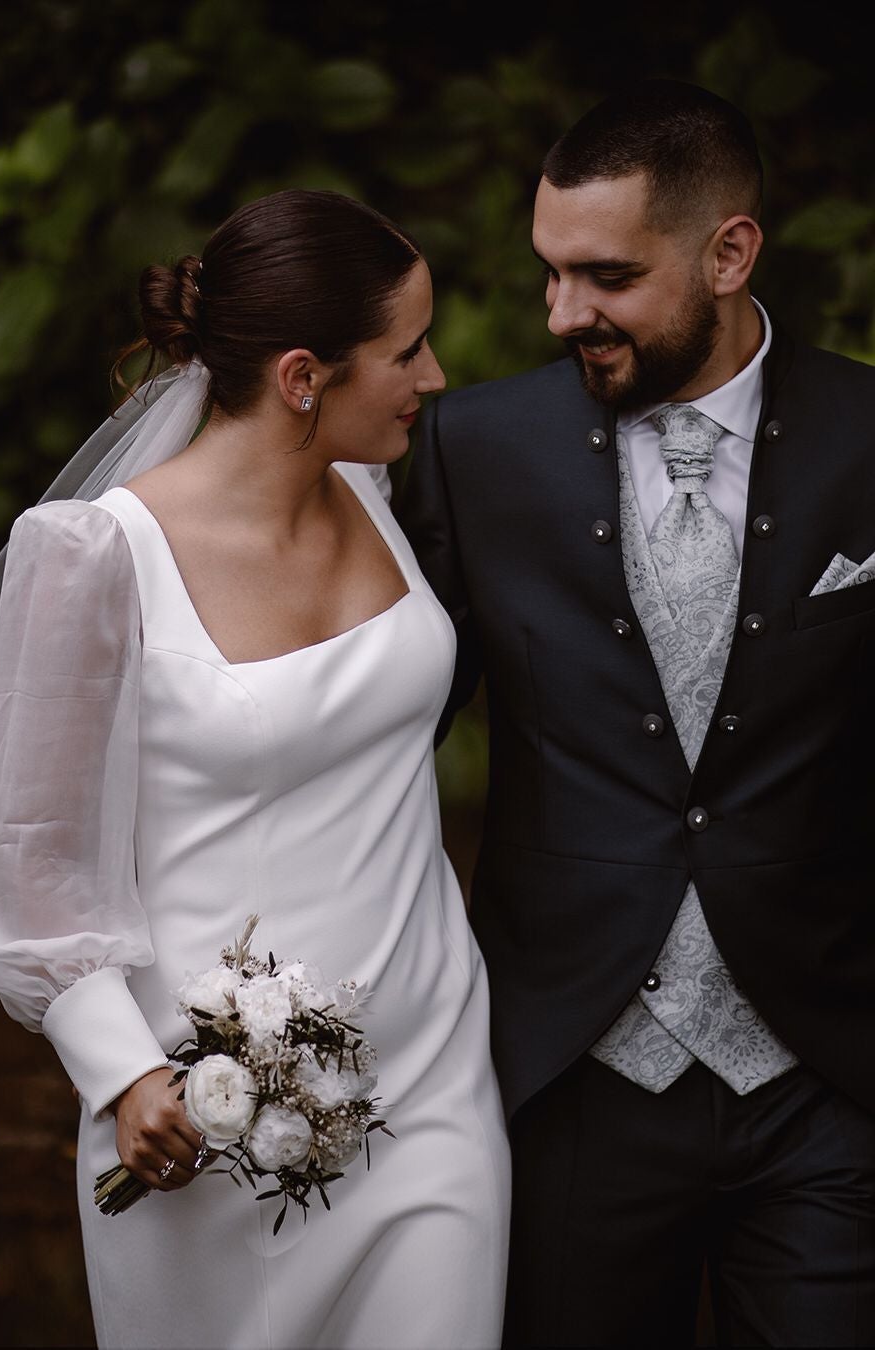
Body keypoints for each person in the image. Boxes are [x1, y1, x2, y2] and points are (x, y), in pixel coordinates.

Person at [0, 189, 510, 1350]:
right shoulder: (94, 556)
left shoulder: (370, 487)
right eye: (406, 350)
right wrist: (125, 1075)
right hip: (205, 1119)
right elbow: (32, 856)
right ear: (304, 375)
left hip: (432, 1085)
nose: (436, 376)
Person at [400, 81, 875, 1348]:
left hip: (830, 1079)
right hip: (571, 1080)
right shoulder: (470, 450)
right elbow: (383, 737)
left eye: (605, 276)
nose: (564, 314)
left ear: (730, 251)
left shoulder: (870, 437)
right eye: (551, 275)